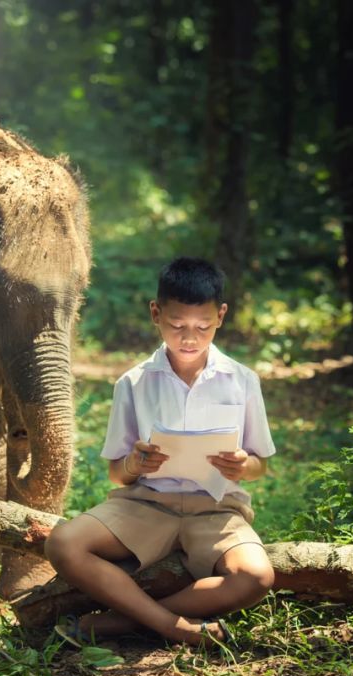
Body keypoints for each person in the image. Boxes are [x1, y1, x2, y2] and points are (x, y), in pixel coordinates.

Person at [44, 257, 276, 647]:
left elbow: (260, 466)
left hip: (216, 509)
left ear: (221, 316)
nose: (190, 338)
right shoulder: (133, 383)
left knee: (256, 577)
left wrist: (242, 464)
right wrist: (134, 463)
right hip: (146, 504)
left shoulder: (242, 381)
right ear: (156, 313)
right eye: (177, 325)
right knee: (63, 543)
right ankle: (172, 626)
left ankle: (119, 622)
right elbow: (117, 474)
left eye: (203, 327)